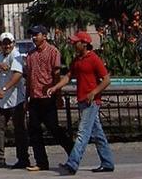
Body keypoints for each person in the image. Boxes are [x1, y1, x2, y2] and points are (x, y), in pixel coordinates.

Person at [47, 31, 114, 175]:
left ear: (84, 43)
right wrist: (55, 87)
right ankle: (107, 162)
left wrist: (94, 92)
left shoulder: (94, 59)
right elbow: (69, 76)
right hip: (83, 100)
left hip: (91, 101)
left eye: (76, 42)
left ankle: (73, 163)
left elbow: (106, 80)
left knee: (82, 133)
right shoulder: (77, 59)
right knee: (97, 133)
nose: (73, 44)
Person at [22, 23, 73, 171]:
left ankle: (73, 152)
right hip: (35, 97)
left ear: (44, 36)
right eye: (32, 35)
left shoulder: (53, 52)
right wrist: (26, 98)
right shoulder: (30, 55)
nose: (34, 37)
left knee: (54, 128)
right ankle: (41, 162)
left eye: (36, 35)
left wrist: (58, 95)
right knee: (34, 130)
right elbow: (29, 79)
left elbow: (56, 75)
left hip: (48, 96)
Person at [0, 31, 29, 169]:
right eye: (4, 43)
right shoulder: (0, 56)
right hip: (3, 102)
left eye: (9, 43)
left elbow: (17, 75)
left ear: (13, 43)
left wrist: (4, 89)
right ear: (0, 44)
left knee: (19, 129)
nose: (7, 46)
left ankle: (23, 159)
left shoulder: (16, 55)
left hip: (16, 99)